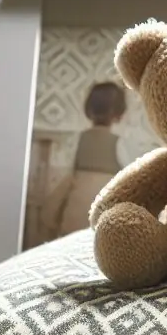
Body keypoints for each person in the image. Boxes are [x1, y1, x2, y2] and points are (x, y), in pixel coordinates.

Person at [55, 81, 128, 236]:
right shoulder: (121, 143)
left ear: (89, 110)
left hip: (75, 214)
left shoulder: (78, 139)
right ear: (119, 114)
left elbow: (69, 173)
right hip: (103, 214)